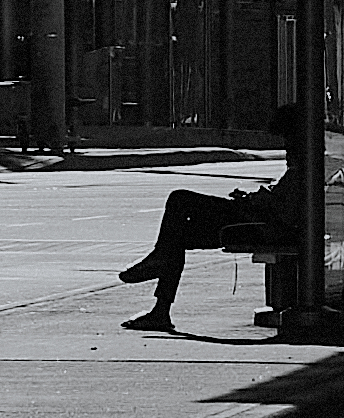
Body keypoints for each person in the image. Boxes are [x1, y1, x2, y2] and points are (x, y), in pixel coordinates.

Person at [119, 99, 311, 326]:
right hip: (257, 216)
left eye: (286, 140)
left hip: (259, 222)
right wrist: (256, 197)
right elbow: (281, 197)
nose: (286, 148)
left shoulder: (305, 166)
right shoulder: (302, 164)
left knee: (179, 199)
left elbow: (282, 207)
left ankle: (159, 275)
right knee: (177, 235)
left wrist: (254, 200)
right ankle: (160, 307)